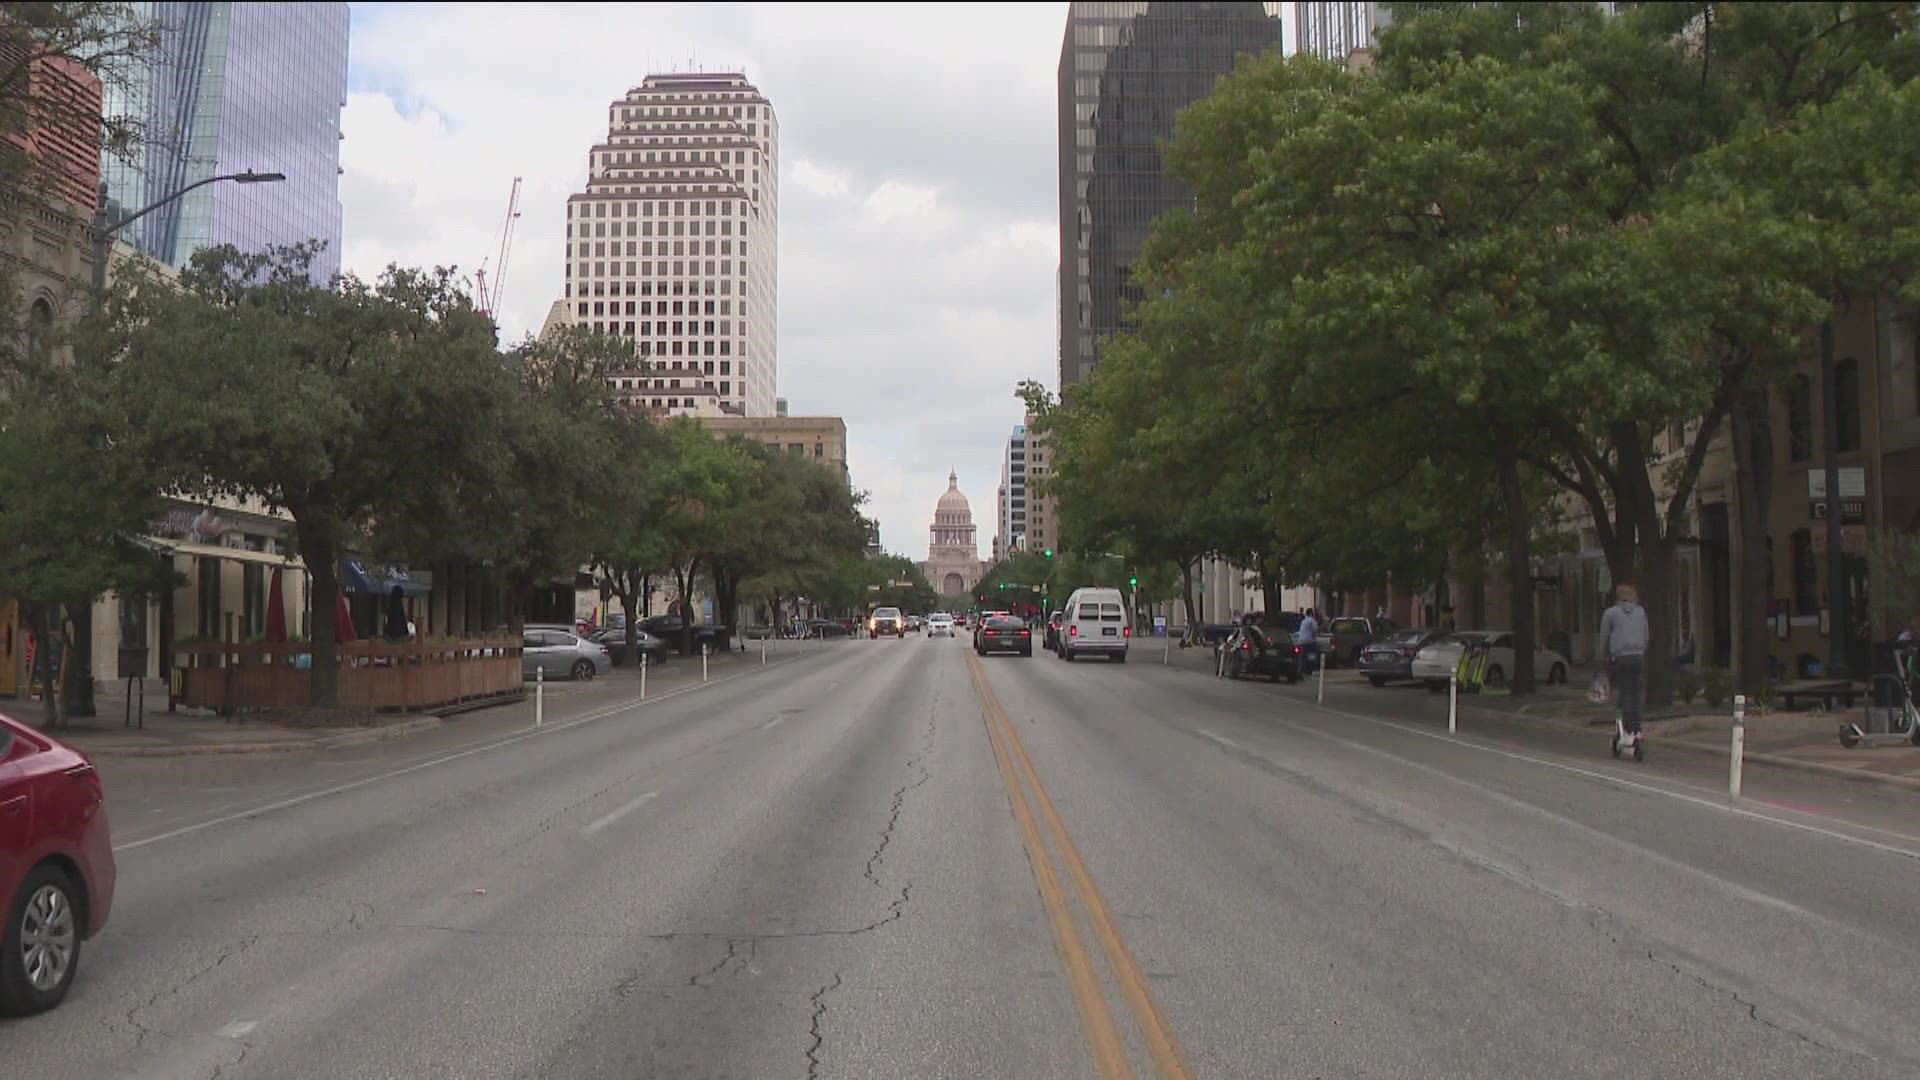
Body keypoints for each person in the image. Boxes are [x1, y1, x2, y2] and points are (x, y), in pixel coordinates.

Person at [1600, 584, 1651, 743]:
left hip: (1620, 657)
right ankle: (1638, 730)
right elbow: (1646, 634)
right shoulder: (1640, 611)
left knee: (1624, 693)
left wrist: (1604, 656)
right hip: (1638, 657)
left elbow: (1604, 637)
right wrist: (1641, 649)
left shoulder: (1610, 613)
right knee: (1635, 693)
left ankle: (1627, 730)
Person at [1295, 607, 1321, 672]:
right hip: (1309, 641)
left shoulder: (1303, 621)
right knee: (1313, 654)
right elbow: (1315, 631)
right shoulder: (1312, 621)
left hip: (1301, 641)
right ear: (1311, 613)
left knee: (1303, 656)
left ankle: (1302, 670)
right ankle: (1311, 667)